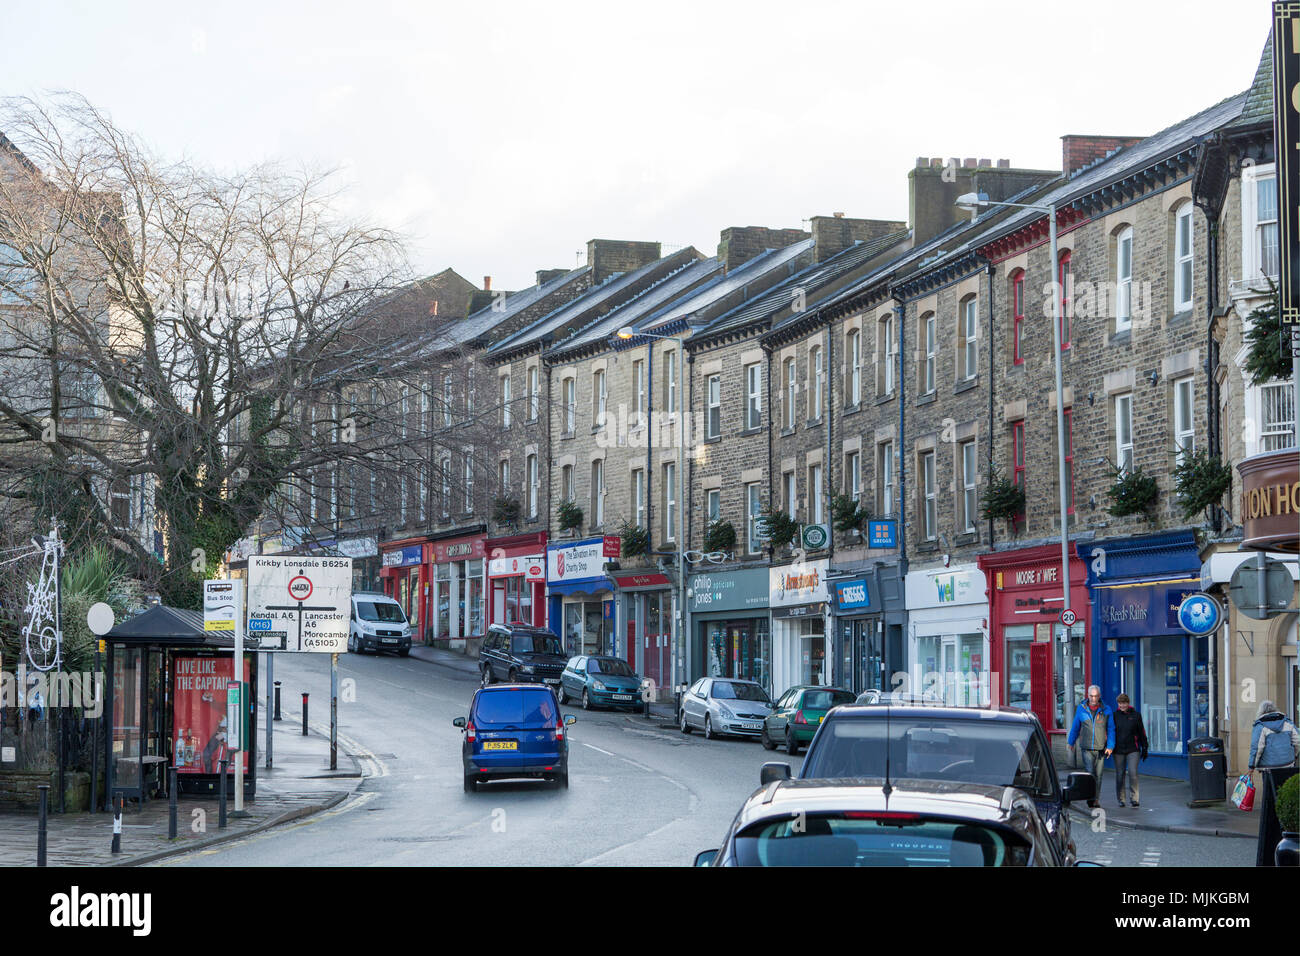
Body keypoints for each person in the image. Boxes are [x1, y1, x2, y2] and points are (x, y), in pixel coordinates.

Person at [1249, 700, 1300, 868]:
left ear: (1261, 711)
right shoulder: (1287, 722)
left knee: (1269, 802)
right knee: (1284, 796)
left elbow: (1257, 748)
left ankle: (1272, 833)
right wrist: (1294, 757)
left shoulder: (1260, 726)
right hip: (1287, 766)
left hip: (1269, 769)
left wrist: (1251, 766)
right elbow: (1297, 740)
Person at [1066, 685, 1114, 808]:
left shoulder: (1107, 710)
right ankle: (1091, 798)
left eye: (1096, 696)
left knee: (1099, 775)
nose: (1093, 699)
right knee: (1090, 773)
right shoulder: (1081, 709)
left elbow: (1111, 729)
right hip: (1086, 747)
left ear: (1099, 696)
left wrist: (1110, 746)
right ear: (1088, 695)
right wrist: (1071, 742)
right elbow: (1076, 727)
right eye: (1091, 696)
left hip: (1101, 748)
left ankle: (1096, 799)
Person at [1111, 693, 1148, 807]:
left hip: (1133, 749)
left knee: (1133, 773)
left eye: (1124, 703)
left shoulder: (1136, 715)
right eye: (1120, 703)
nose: (1122, 705)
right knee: (1120, 774)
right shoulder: (1114, 715)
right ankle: (1121, 799)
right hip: (1118, 750)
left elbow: (1141, 731)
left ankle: (1134, 798)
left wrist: (1145, 746)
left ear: (1128, 703)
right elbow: (1111, 732)